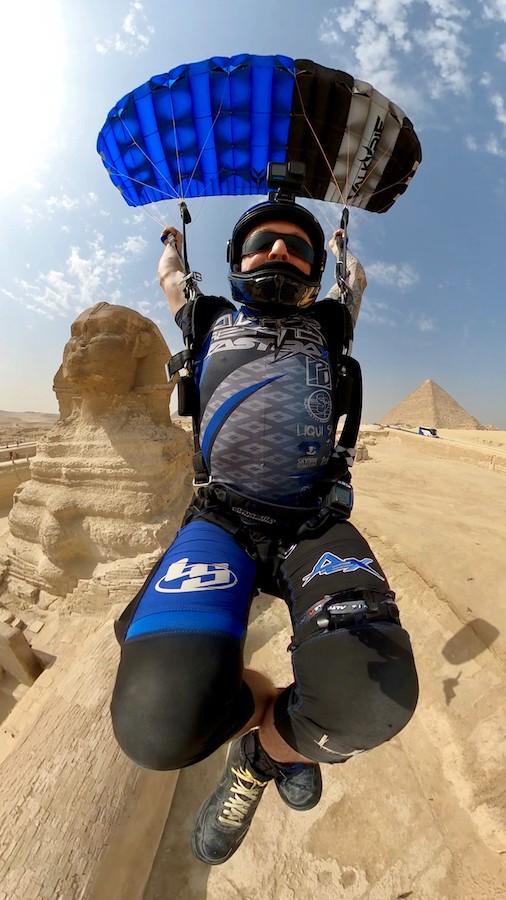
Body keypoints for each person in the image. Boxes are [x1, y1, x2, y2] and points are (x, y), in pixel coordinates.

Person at [110, 196, 419, 866]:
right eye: (263, 244)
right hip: (224, 520)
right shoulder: (210, 317)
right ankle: (281, 718)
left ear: (311, 269)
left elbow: (356, 282)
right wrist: (171, 237)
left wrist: (340, 248)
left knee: (373, 699)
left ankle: (259, 755)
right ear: (235, 262)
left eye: (295, 247)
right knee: (158, 724)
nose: (279, 252)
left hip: (313, 524)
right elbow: (170, 276)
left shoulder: (329, 322)